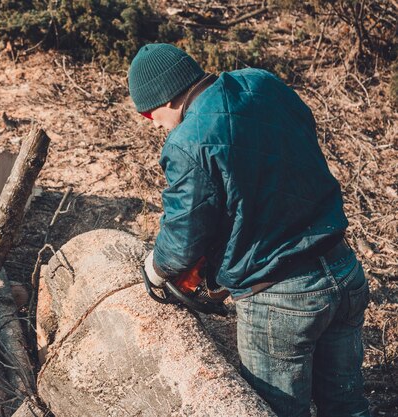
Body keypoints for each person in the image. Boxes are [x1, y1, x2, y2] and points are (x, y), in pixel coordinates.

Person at [131, 43, 370, 417]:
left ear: (160, 101)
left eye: (149, 115)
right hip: (343, 270)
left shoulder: (188, 140)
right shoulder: (263, 83)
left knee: (275, 411)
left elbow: (182, 236)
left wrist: (155, 269)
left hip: (281, 300)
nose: (155, 124)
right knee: (346, 406)